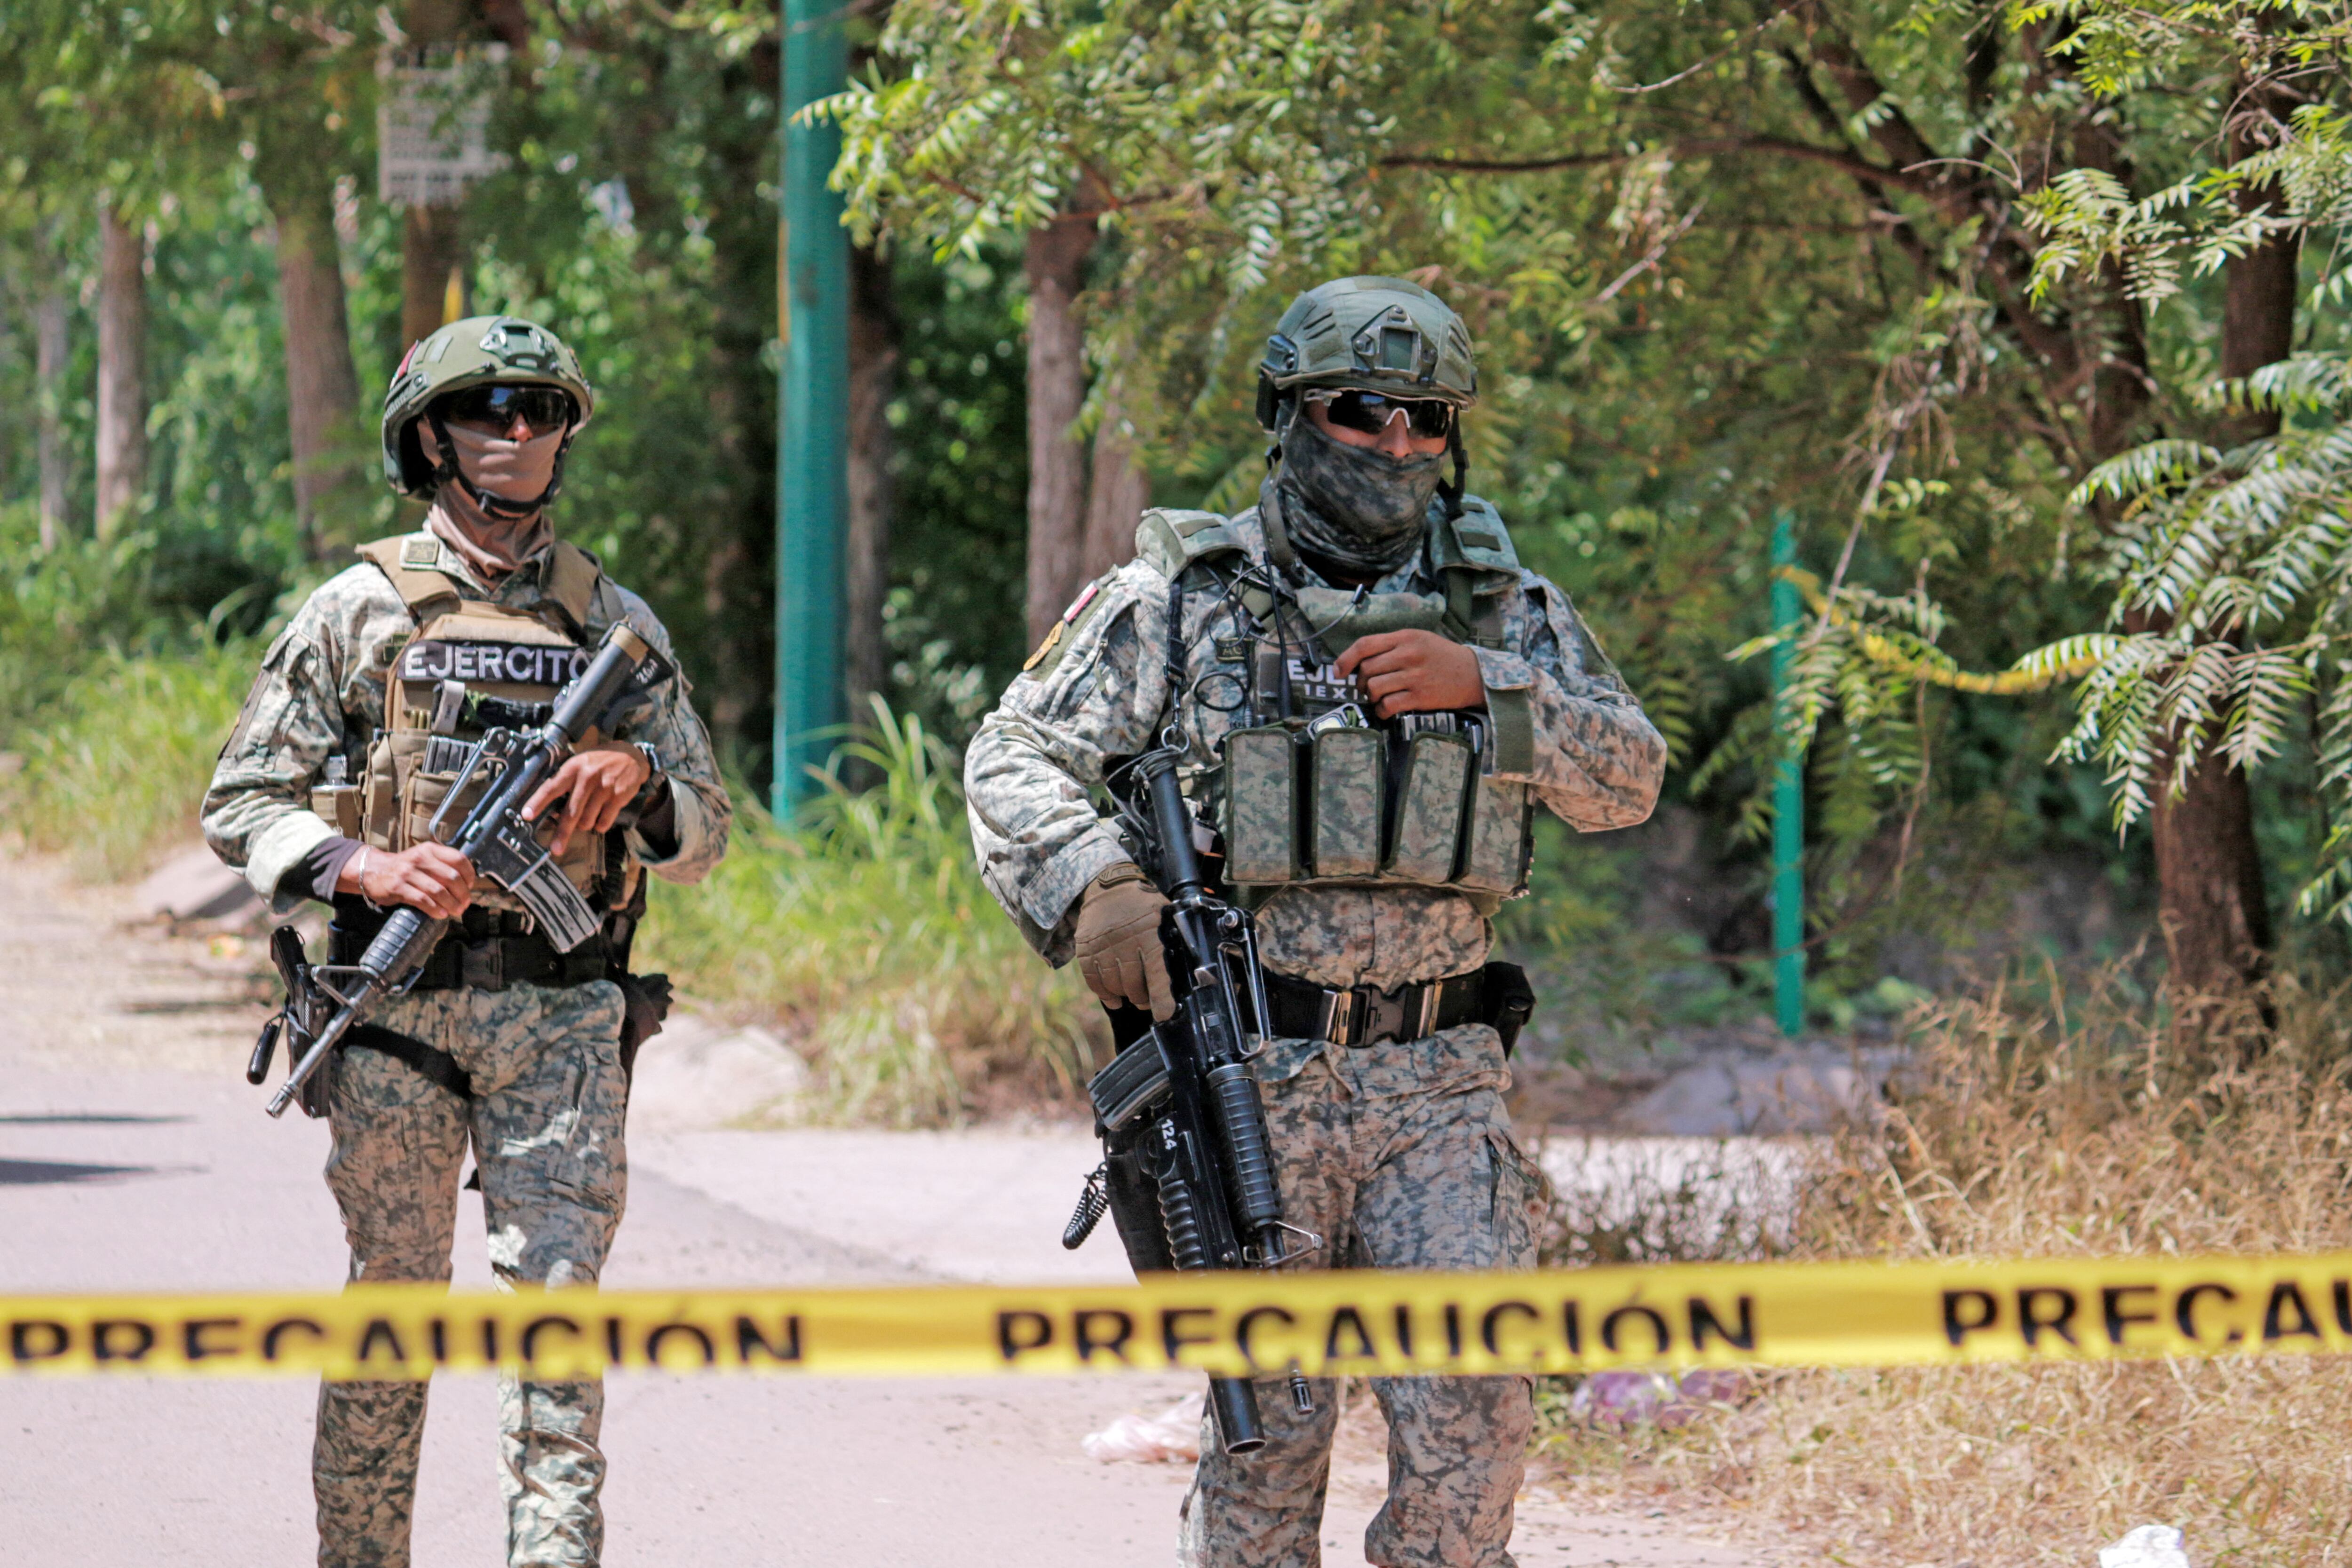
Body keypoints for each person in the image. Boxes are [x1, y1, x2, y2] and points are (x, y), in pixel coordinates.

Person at [965, 276, 1667, 1567]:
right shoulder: (1188, 598)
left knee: (1478, 1437)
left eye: (1427, 420)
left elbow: (1630, 776)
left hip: (1439, 1085)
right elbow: (1014, 753)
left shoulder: (1501, 609)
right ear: (1286, 415)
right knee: (1263, 1462)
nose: (1397, 445)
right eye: (1362, 411)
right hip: (1253, 1083)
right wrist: (1096, 884)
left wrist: (1494, 694)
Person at [202, 314, 731, 1568]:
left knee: (558, 1317)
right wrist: (364, 866)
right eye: (487, 407)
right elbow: (240, 801)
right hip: (395, 1018)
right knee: (393, 1305)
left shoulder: (615, 625)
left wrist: (633, 777)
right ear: (430, 435)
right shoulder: (360, 610)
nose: (514, 431)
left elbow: (706, 829)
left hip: (562, 1009)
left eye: (538, 409)